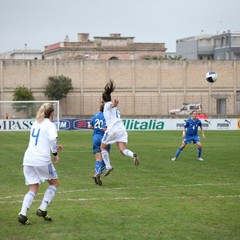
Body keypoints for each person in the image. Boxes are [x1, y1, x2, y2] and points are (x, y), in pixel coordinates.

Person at [18, 103, 63, 225]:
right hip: (41, 159)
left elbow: (40, 141)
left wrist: (53, 146)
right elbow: (52, 139)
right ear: (52, 113)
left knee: (33, 188)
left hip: (28, 159)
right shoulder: (50, 125)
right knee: (54, 182)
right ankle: (42, 209)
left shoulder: (36, 123)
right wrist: (55, 154)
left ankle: (22, 214)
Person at [100, 80, 140, 176]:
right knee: (122, 150)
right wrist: (115, 105)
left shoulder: (107, 105)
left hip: (112, 130)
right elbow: (112, 106)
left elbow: (111, 105)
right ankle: (133, 155)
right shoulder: (115, 109)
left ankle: (108, 166)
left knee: (103, 147)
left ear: (103, 99)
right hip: (122, 130)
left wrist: (114, 103)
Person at [89, 103, 110, 186]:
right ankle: (98, 173)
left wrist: (97, 128)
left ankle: (97, 173)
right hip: (104, 139)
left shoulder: (96, 114)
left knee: (98, 159)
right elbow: (105, 129)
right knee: (105, 159)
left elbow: (90, 126)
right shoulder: (107, 116)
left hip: (95, 138)